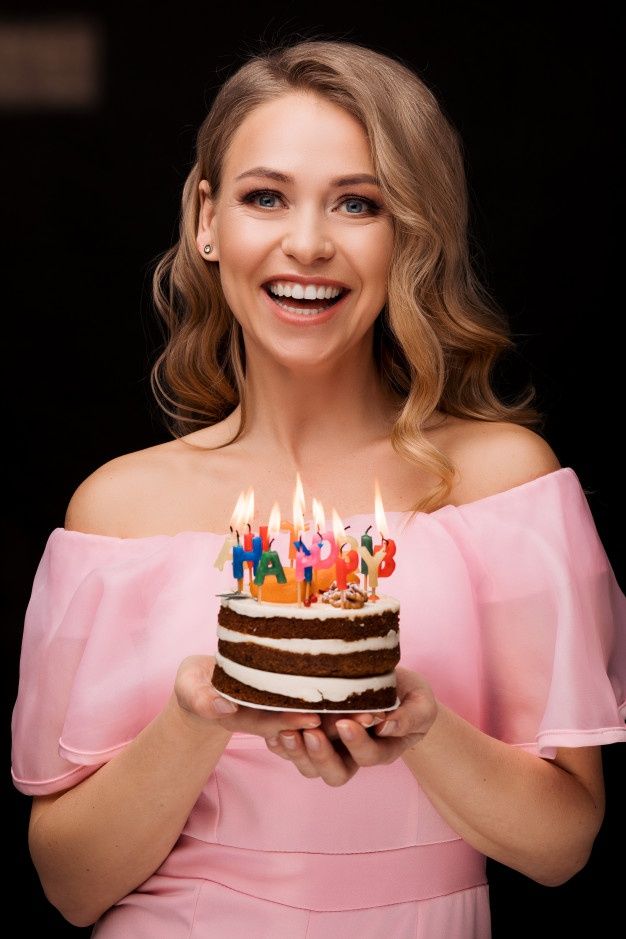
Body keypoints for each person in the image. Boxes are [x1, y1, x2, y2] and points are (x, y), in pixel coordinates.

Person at [10, 37, 626, 939]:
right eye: (266, 197)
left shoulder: (503, 487)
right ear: (207, 220)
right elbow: (69, 885)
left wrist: (421, 726)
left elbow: (561, 845)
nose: (308, 243)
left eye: (358, 203)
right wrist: (198, 716)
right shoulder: (118, 509)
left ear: (409, 230)